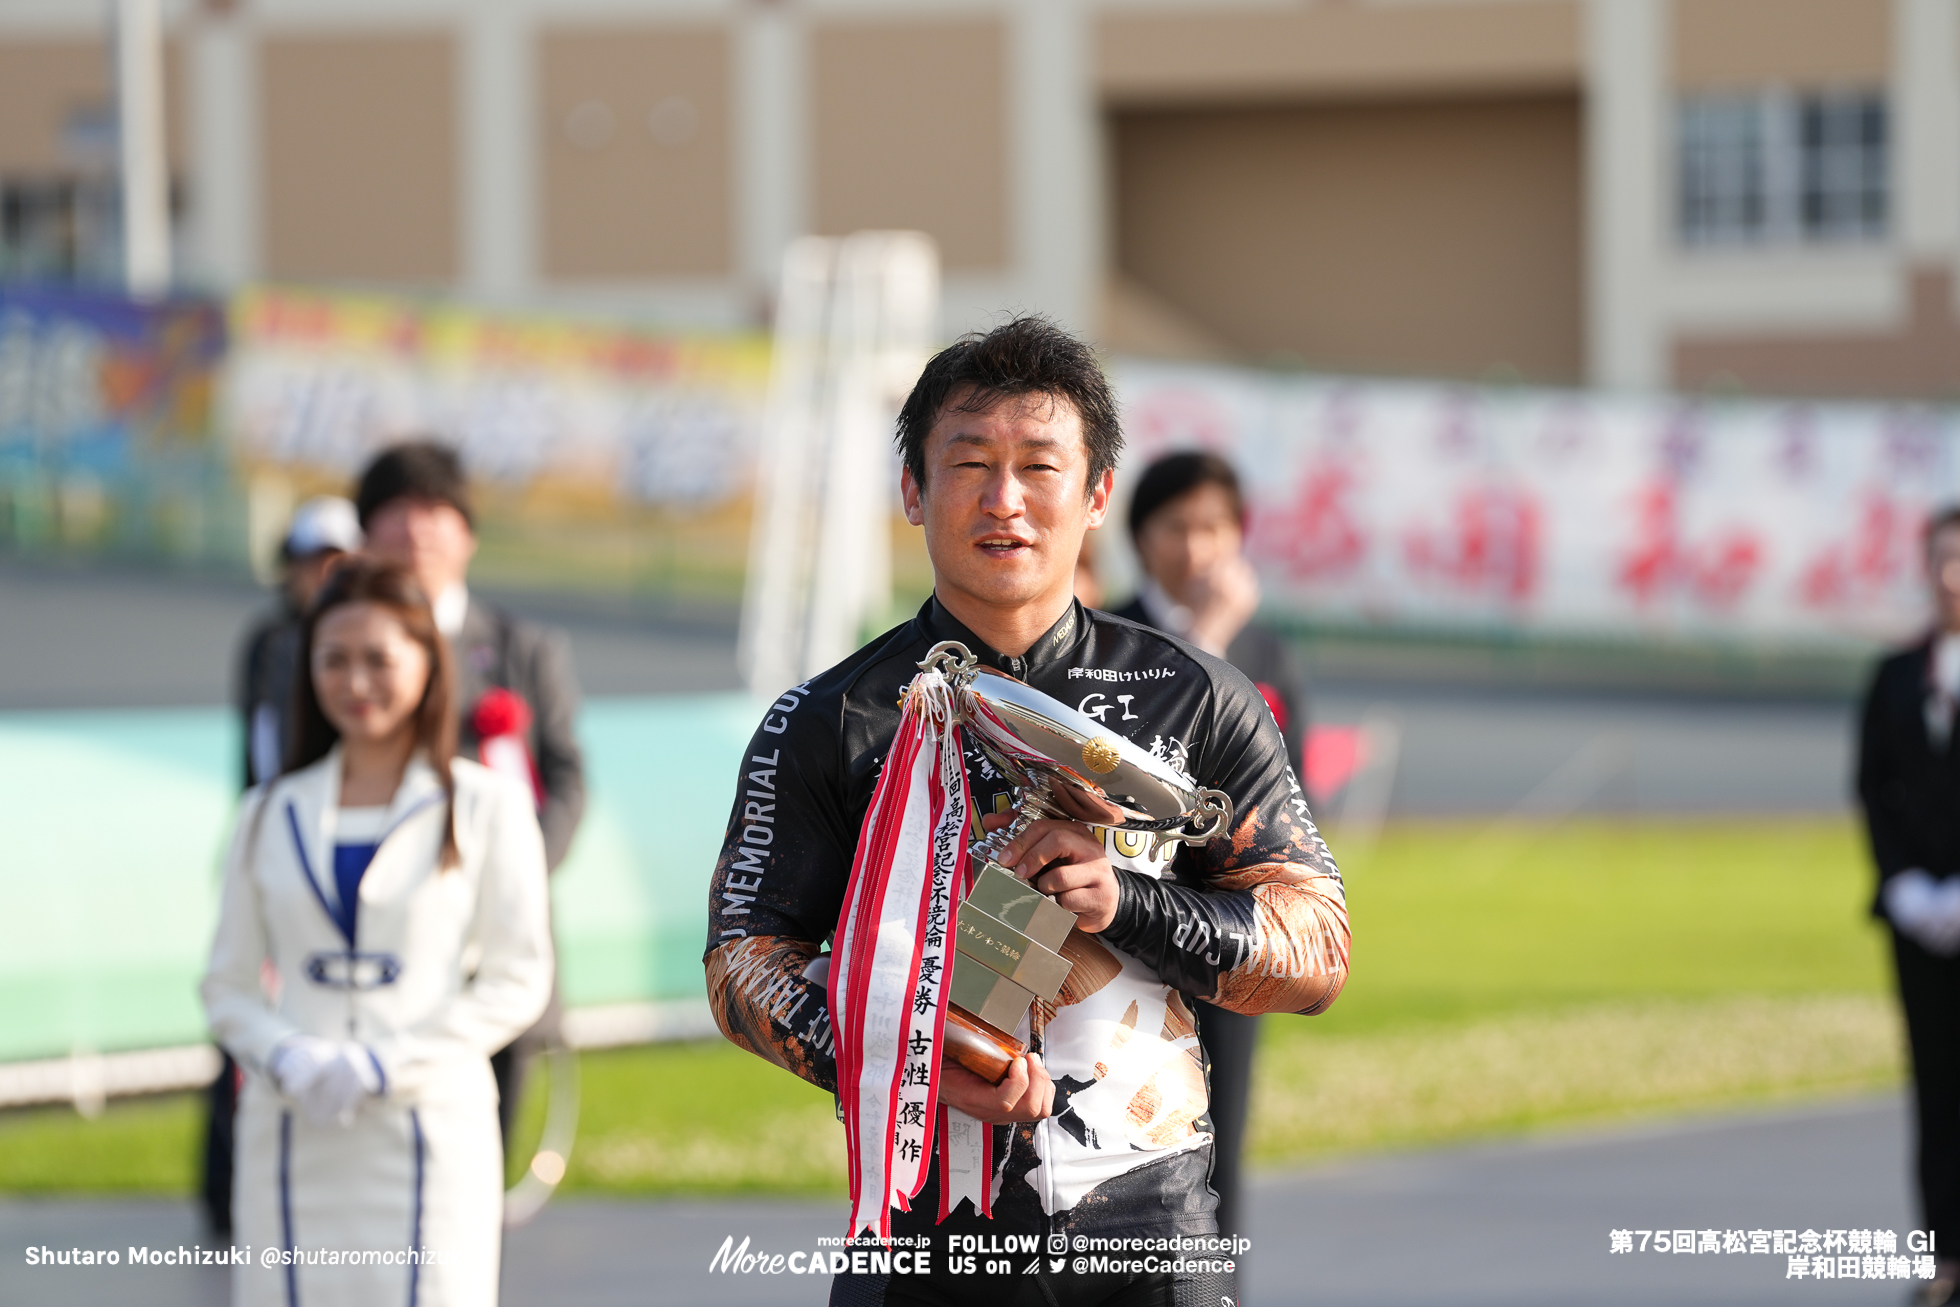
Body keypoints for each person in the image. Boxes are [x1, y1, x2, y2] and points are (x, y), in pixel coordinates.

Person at [704, 317, 1350, 1306]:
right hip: (920, 1242)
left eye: (1038, 465)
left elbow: (1316, 949)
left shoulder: (1196, 697)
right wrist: (911, 1057)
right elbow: (742, 958)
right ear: (913, 489)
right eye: (969, 462)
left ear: (1095, 495)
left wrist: (1125, 901)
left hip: (1146, 1240)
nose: (1003, 498)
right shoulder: (828, 718)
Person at [201, 559, 553, 1306]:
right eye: (334, 659)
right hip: (293, 1133)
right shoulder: (268, 811)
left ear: (428, 663)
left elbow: (518, 976)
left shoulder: (486, 804)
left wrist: (389, 1063)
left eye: (378, 659)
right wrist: (286, 1054)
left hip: (429, 1129)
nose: (355, 682)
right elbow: (226, 984)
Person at [355, 441, 586, 1146]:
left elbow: (568, 779)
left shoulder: (523, 648)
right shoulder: (334, 652)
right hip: (379, 934)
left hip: (496, 933)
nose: (417, 530)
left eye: (435, 511)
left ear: (468, 533)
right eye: (396, 512)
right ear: (366, 533)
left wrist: (511, 880)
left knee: (487, 1138)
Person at [1111, 450, 1311, 1241]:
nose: (1195, 548)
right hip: (1126, 924)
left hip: (1227, 928)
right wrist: (1210, 638)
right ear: (1137, 533)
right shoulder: (1108, 637)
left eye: (1213, 528)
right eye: (1175, 527)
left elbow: (1294, 803)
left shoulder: (1267, 652)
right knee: (1120, 1146)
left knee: (1217, 1157)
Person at [203, 494, 363, 1239]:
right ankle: (229, 1185)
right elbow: (267, 755)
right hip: (280, 848)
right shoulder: (272, 641)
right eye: (312, 561)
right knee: (256, 1017)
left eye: (337, 559)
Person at [1860, 504, 1960, 1307]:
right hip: (1919, 918)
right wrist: (1904, 885)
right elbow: (1872, 787)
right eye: (1944, 557)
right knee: (1934, 1092)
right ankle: (1943, 1257)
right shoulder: (1896, 674)